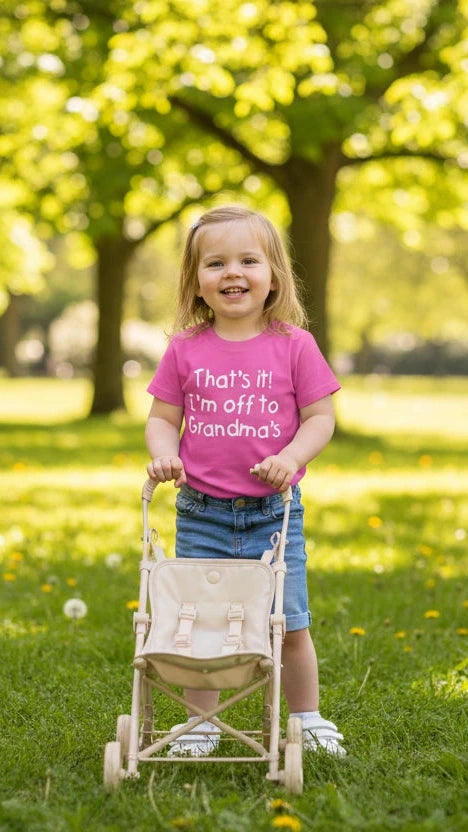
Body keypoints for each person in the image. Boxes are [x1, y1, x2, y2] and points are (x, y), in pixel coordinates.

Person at [145, 205, 346, 757]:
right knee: (198, 625)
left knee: (291, 622)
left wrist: (291, 456)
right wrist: (165, 458)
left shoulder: (294, 344)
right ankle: (203, 725)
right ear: (197, 282)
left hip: (272, 515)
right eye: (216, 263)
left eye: (248, 260)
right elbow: (162, 420)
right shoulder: (186, 349)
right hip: (201, 512)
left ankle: (308, 718)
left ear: (273, 274)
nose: (232, 272)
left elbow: (320, 418)